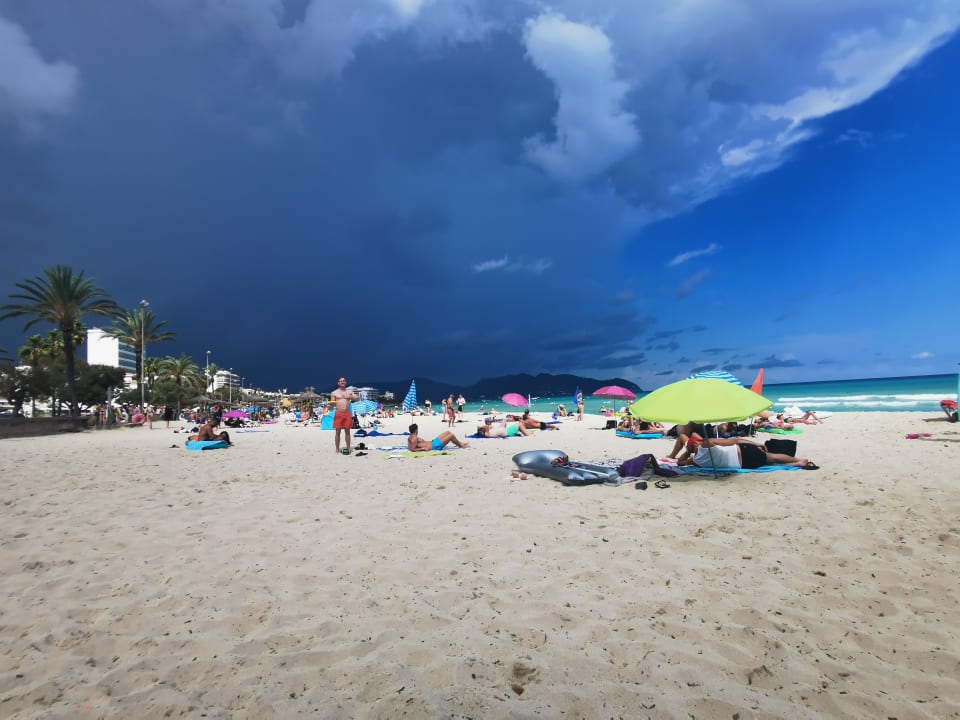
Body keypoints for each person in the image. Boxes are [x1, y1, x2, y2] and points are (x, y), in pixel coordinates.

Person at [678, 434, 817, 470]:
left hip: (745, 465)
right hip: (743, 452)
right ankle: (797, 460)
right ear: (697, 442)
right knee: (772, 457)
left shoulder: (695, 462)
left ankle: (796, 464)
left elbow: (680, 463)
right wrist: (757, 443)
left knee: (769, 461)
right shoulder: (708, 443)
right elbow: (736, 441)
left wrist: (687, 451)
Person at [331, 377, 359, 454]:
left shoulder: (349, 392)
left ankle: (348, 447)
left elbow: (357, 399)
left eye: (343, 381)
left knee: (347, 431)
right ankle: (337, 449)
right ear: (338, 383)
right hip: (338, 412)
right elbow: (332, 404)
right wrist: (330, 405)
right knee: (337, 432)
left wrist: (351, 396)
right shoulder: (334, 392)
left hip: (347, 413)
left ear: (345, 382)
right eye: (341, 381)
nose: (342, 382)